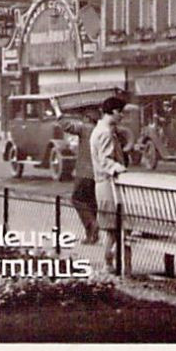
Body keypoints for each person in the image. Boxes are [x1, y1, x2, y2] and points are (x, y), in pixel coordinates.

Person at [91, 95, 129, 271]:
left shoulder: (99, 130)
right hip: (108, 185)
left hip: (101, 183)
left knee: (111, 228)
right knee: (113, 228)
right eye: (120, 112)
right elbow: (105, 160)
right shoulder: (106, 133)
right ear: (113, 112)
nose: (122, 116)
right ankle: (108, 263)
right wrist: (119, 168)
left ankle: (109, 262)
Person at [62, 107, 101, 244]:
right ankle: (91, 235)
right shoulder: (99, 130)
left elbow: (67, 126)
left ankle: (92, 224)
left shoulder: (85, 128)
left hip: (84, 172)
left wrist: (58, 113)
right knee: (91, 203)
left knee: (77, 199)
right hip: (96, 173)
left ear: (87, 118)